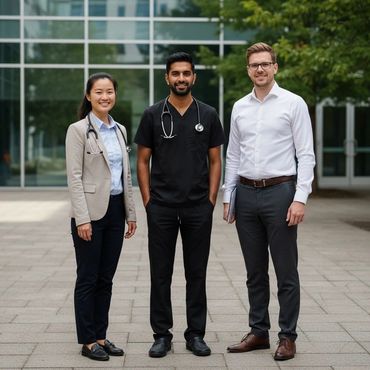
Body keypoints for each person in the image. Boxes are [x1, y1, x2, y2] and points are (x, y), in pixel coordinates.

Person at [223, 42, 315, 361]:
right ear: (247, 70)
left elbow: (306, 155)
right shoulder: (239, 107)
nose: (259, 69)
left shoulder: (293, 104)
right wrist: (228, 195)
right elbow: (233, 154)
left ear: (275, 66)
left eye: (265, 64)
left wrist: (300, 198)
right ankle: (259, 332)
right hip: (246, 195)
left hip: (281, 193)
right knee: (254, 271)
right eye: (254, 65)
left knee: (285, 270)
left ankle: (287, 336)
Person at [134, 52, 225, 358]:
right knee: (160, 273)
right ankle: (162, 335)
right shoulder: (152, 114)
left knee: (196, 273)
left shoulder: (208, 115)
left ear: (194, 77)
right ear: (167, 78)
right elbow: (142, 161)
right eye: (176, 73)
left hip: (198, 207)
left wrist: (211, 200)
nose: (181, 78)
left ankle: (195, 334)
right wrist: (148, 202)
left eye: (186, 73)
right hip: (161, 208)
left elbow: (216, 161)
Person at [65, 72, 137, 361]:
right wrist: (82, 219)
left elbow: (125, 175)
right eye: (99, 92)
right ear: (89, 96)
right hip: (91, 214)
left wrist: (131, 213)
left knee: (106, 279)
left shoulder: (119, 129)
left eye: (109, 92)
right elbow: (74, 177)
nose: (105, 97)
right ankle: (87, 340)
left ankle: (101, 335)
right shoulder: (78, 130)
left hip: (116, 211)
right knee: (88, 278)